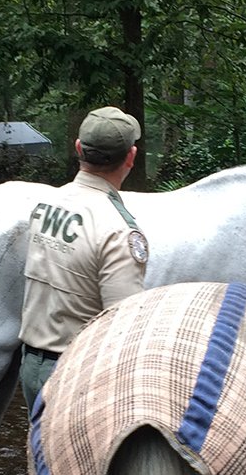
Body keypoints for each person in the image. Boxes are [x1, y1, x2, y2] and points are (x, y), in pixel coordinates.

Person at [18, 106, 149, 409]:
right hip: (76, 376)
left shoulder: (45, 206)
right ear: (131, 156)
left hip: (31, 367)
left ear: (78, 148)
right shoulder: (119, 231)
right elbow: (123, 329)